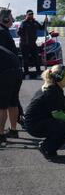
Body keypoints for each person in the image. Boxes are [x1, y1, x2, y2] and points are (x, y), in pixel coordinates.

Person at [23, 65, 65, 159]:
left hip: (38, 121)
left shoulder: (53, 87)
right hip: (34, 124)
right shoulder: (52, 92)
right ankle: (46, 148)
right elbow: (57, 114)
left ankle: (48, 146)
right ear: (58, 78)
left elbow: (64, 109)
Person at [0, 9, 22, 145]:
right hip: (16, 70)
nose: (13, 20)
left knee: (2, 106)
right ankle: (13, 130)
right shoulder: (3, 32)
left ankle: (1, 135)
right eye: (11, 18)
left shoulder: (1, 32)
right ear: (5, 19)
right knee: (12, 102)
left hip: (6, 72)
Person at [18, 10, 46, 78]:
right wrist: (25, 39)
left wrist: (45, 21)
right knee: (25, 60)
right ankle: (26, 74)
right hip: (24, 45)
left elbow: (42, 28)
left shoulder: (35, 22)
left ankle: (38, 74)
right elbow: (19, 33)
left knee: (36, 59)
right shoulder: (23, 23)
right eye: (29, 14)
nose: (31, 15)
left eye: (32, 14)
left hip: (33, 44)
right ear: (27, 15)